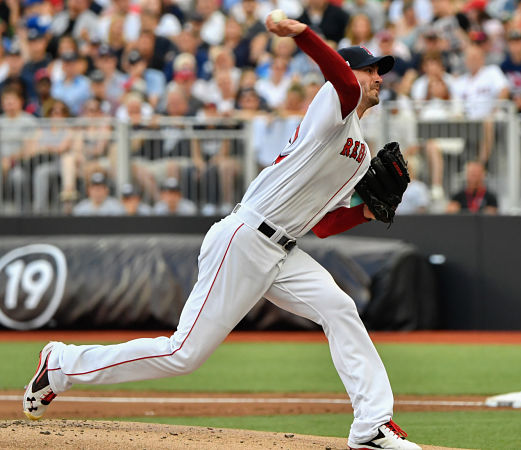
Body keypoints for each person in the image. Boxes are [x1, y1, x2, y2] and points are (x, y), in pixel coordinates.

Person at [23, 18, 422, 450]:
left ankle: (371, 425)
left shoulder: (362, 156)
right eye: (370, 69)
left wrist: (366, 213)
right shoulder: (335, 105)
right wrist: (303, 34)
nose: (378, 77)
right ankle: (62, 364)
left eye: (380, 70)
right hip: (244, 237)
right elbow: (343, 81)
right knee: (183, 354)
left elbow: (324, 225)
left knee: (340, 309)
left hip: (283, 251)